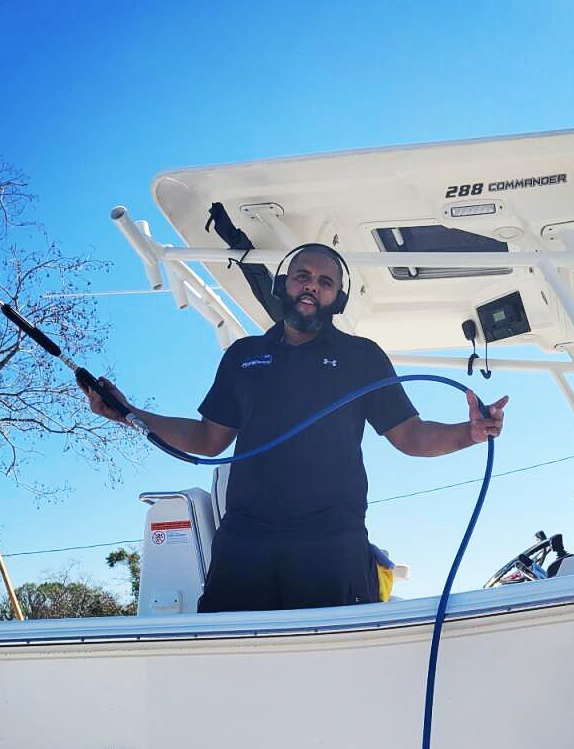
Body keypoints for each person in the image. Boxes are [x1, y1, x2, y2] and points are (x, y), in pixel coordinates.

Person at [84, 244, 508, 612]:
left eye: (325, 282)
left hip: (331, 540)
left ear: (336, 299)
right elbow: (206, 439)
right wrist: (129, 413)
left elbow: (410, 436)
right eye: (303, 276)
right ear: (283, 285)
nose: (312, 286)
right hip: (245, 539)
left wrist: (467, 433)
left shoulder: (362, 357)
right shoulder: (243, 356)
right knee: (227, 662)